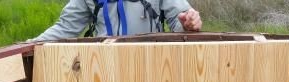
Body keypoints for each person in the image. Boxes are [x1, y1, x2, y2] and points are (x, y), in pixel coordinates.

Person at [33, 0, 202, 41]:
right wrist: (26, 45)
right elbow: (65, 28)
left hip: (150, 69)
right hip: (102, 71)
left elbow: (180, 22)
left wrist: (189, 24)